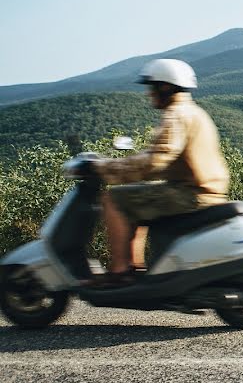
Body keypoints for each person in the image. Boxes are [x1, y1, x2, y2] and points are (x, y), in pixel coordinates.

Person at [85, 58, 230, 287]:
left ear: (166, 87)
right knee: (136, 200)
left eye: (152, 88)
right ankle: (136, 267)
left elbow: (157, 159)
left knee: (113, 198)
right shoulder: (195, 112)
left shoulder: (177, 115)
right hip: (207, 189)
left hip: (191, 193)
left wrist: (107, 168)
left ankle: (120, 270)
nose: (148, 94)